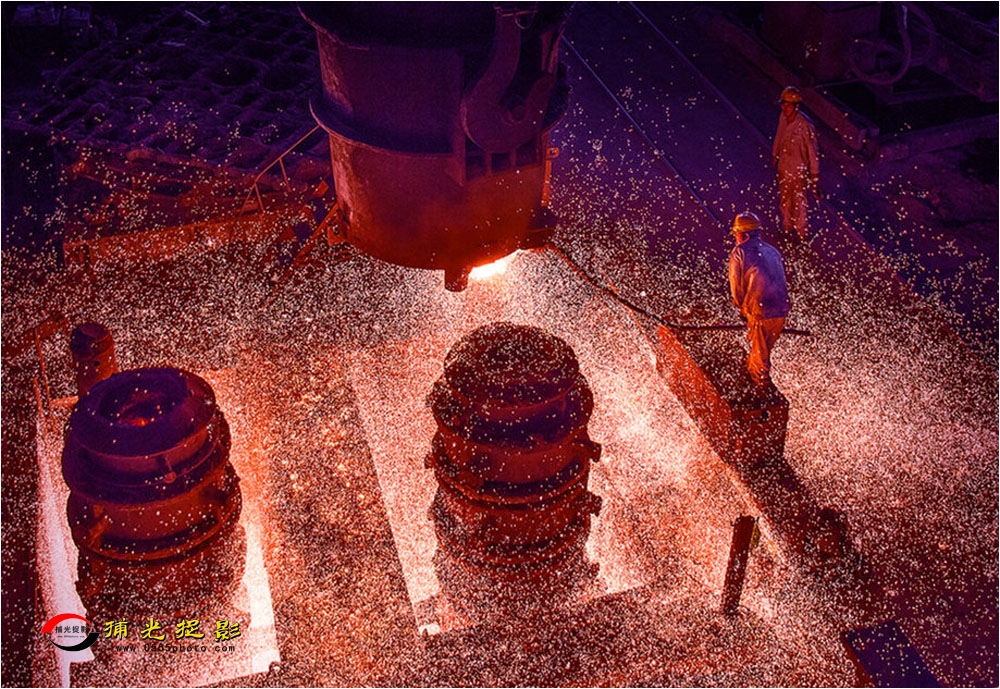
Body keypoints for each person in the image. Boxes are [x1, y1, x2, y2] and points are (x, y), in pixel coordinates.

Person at [728, 212, 789, 390]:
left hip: (760, 310)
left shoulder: (740, 252)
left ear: (744, 235)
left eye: (736, 235)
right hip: (781, 310)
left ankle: (762, 391)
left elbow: (736, 284)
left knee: (759, 360)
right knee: (761, 351)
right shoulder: (773, 251)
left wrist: (740, 307)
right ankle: (755, 377)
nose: (736, 239)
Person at [772, 86, 820, 241]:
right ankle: (786, 227)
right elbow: (779, 134)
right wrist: (775, 154)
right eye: (783, 104)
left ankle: (802, 232)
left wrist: (814, 175)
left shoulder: (805, 126)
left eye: (788, 105)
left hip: (799, 170)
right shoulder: (783, 117)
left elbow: (813, 151)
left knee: (799, 201)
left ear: (796, 106)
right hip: (784, 167)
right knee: (785, 198)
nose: (784, 108)